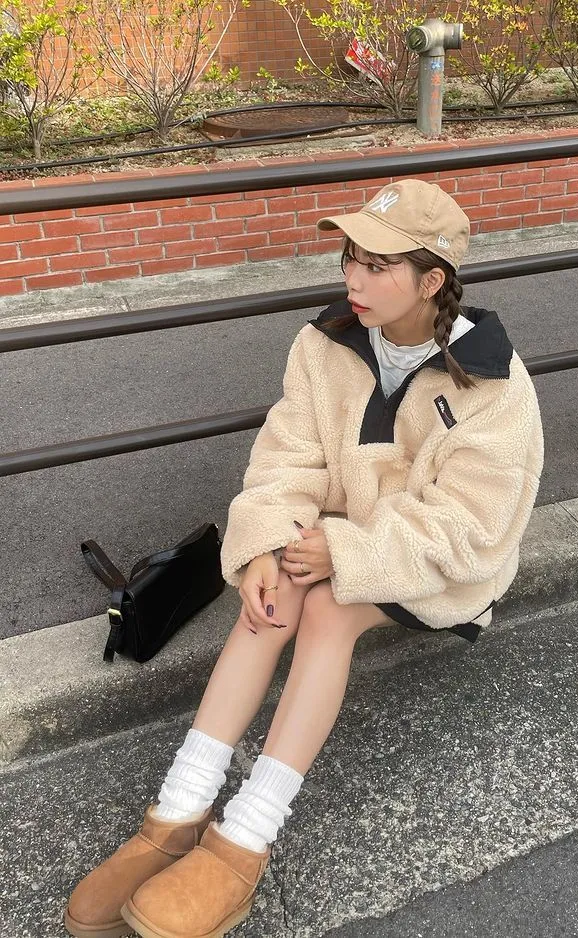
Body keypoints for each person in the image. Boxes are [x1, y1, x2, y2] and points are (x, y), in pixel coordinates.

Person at [64, 178, 544, 938]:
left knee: (324, 607)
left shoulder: (493, 382)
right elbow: (287, 457)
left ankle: (246, 837)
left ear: (432, 281)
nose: (353, 277)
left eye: (378, 266)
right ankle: (178, 813)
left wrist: (344, 550)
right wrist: (263, 543)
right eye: (350, 257)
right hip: (335, 537)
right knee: (273, 595)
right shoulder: (324, 343)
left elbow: (470, 527)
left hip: (436, 568)